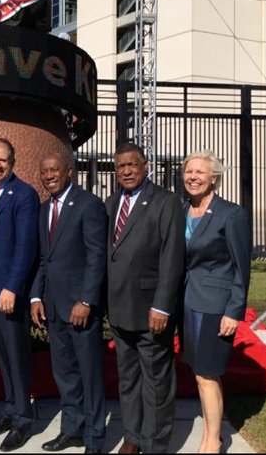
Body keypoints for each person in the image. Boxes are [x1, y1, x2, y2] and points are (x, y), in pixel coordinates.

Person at [105, 142, 185, 454]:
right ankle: (133, 437)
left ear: (145, 166)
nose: (126, 171)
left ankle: (155, 444)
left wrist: (162, 304)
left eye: (132, 165)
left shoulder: (165, 202)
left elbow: (172, 257)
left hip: (151, 309)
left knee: (156, 382)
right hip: (119, 309)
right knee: (128, 379)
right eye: (120, 166)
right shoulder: (110, 203)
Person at [30, 151, 107, 454]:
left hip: (80, 308)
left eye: (54, 170)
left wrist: (86, 300)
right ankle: (71, 429)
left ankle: (95, 438)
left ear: (69, 172)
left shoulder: (89, 205)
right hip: (53, 307)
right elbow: (42, 259)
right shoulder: (42, 209)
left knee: (90, 375)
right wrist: (36, 296)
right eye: (44, 172)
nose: (48, 176)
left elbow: (96, 256)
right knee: (65, 374)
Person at [181, 150, 251, 453]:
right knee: (201, 373)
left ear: (215, 178)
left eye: (200, 172)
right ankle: (214, 431)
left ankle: (211, 440)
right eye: (188, 171)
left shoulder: (231, 214)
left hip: (215, 305)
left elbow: (241, 266)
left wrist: (233, 311)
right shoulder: (182, 210)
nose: (193, 177)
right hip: (188, 302)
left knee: (207, 374)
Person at [0, 139, 39, 452]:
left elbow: (26, 246)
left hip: (8, 292)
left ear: (12, 162)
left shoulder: (24, 195)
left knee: (16, 355)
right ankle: (8, 409)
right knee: (1, 355)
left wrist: (12, 287)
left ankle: (23, 419)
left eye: (3, 160)